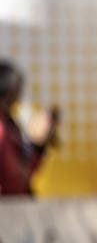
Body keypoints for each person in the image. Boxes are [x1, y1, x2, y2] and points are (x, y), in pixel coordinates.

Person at [0, 60, 58, 196]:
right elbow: (15, 180)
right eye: (16, 92)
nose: (17, 99)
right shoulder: (2, 130)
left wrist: (38, 146)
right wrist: (37, 144)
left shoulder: (9, 125)